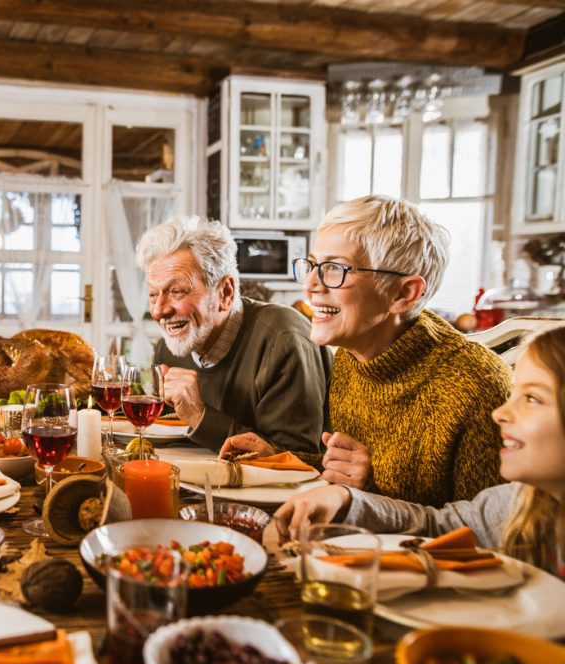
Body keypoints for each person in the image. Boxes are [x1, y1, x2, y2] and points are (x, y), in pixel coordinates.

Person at [225, 196, 508, 506]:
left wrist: (370, 492)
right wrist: (279, 458)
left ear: (403, 294)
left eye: (335, 268)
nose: (310, 285)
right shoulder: (350, 357)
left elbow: (489, 531)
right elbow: (350, 470)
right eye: (312, 265)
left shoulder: (476, 384)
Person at [275, 324, 565, 582]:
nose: (501, 413)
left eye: (532, 398)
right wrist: (346, 500)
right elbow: (437, 526)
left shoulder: (466, 377)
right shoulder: (519, 503)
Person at [135, 214, 332, 454]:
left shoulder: (284, 339)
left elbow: (296, 462)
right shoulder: (171, 346)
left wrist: (200, 416)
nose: (159, 311)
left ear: (225, 292)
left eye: (176, 291)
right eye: (153, 294)